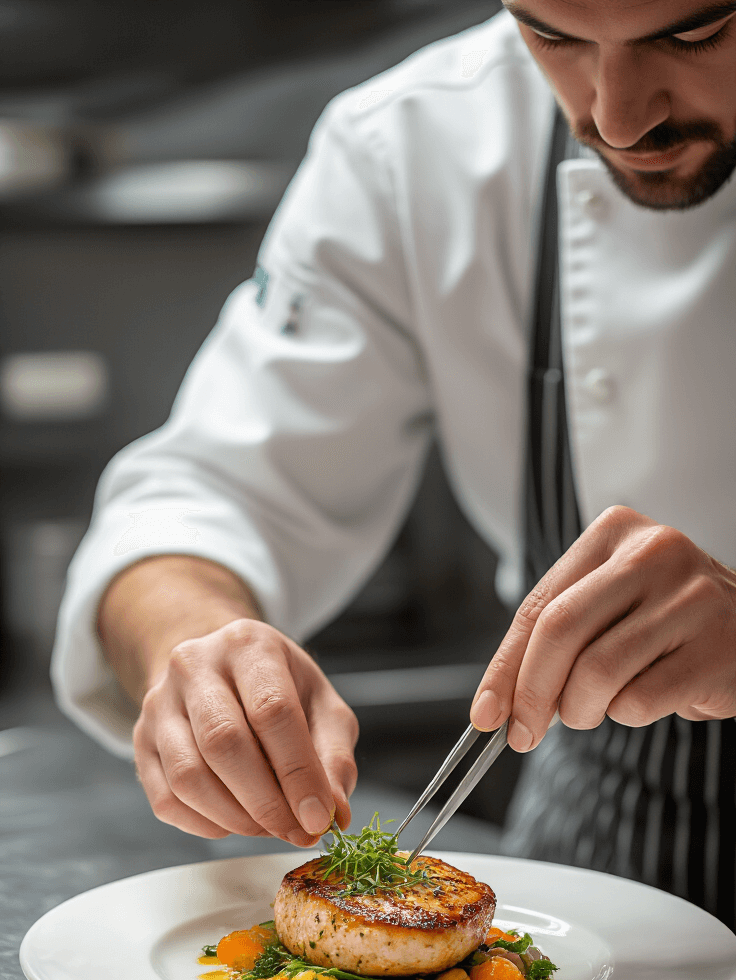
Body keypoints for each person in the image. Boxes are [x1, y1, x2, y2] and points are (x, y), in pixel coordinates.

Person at [53, 1, 736, 926]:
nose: (617, 119)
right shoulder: (415, 143)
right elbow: (209, 493)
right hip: (610, 885)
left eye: (693, 34)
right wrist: (196, 644)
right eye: (552, 34)